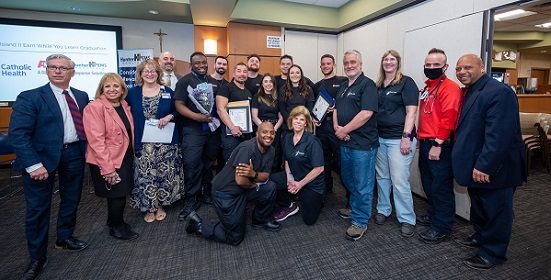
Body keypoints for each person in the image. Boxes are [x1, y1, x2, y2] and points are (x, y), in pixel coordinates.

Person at [9, 53, 89, 280]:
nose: (57, 71)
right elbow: (18, 134)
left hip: (74, 153)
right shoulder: (30, 97)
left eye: (63, 68)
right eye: (53, 67)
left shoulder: (81, 96)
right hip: (40, 159)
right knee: (38, 209)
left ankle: (64, 238)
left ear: (72, 72)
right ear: (46, 70)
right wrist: (33, 164)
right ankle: (37, 257)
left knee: (71, 200)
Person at [452, 54, 526, 270]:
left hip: (494, 167)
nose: (462, 72)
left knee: (497, 210)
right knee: (481, 206)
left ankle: (493, 253)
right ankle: (482, 236)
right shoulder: (471, 91)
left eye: (468, 67)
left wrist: (485, 165)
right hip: (475, 163)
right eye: (458, 69)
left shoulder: (499, 92)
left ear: (482, 68)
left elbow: (500, 135)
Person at [185, 122, 281, 245]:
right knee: (235, 238)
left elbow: (266, 176)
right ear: (257, 134)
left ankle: (260, 220)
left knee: (270, 187)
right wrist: (254, 184)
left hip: (243, 189)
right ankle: (198, 225)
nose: (268, 135)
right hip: (226, 193)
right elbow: (240, 181)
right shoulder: (246, 149)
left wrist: (253, 175)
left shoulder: (271, 150)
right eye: (264, 132)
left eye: (271, 133)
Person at [83, 73, 139, 241]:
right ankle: (117, 227)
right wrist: (107, 169)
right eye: (107, 86)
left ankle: (113, 220)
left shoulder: (124, 105)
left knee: (120, 193)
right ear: (102, 89)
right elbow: (96, 141)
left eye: (116, 86)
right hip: (107, 159)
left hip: (125, 156)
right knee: (117, 195)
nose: (112, 89)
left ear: (122, 89)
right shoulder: (95, 107)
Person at [126, 60, 182, 223]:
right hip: (143, 144)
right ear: (140, 74)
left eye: (153, 71)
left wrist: (169, 116)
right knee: (145, 175)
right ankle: (149, 206)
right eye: (146, 71)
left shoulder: (168, 92)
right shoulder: (132, 93)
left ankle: (159, 206)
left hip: (165, 144)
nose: (149, 74)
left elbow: (177, 111)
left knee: (163, 175)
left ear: (158, 74)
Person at [416, 48, 461, 244]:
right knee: (429, 184)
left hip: (439, 145)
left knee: (440, 187)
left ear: (446, 66)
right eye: (428, 65)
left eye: (436, 65)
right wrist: (419, 139)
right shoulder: (427, 87)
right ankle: (434, 214)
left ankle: (442, 227)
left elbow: (449, 118)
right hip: (426, 143)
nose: (432, 68)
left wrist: (438, 143)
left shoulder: (449, 88)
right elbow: (426, 117)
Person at [373, 50, 419, 237]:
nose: (388, 62)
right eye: (386, 59)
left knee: (399, 181)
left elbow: (411, 112)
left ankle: (407, 218)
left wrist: (406, 136)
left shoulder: (406, 83)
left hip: (399, 139)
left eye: (392, 59)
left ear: (398, 62)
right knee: (382, 177)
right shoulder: (377, 85)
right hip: (379, 139)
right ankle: (384, 209)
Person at [333, 50, 379, 241]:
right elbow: (336, 108)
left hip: (363, 145)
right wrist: (337, 127)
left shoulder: (367, 85)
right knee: (348, 179)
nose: (349, 65)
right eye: (346, 63)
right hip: (345, 143)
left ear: (360, 63)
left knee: (363, 185)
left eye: (353, 62)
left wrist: (345, 130)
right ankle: (353, 208)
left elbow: (366, 113)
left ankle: (360, 221)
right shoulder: (343, 85)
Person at [175, 51, 221, 218]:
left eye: (204, 63)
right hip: (193, 129)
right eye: (197, 63)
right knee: (192, 163)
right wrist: (197, 117)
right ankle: (192, 197)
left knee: (209, 163)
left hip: (212, 131)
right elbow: (179, 105)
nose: (201, 66)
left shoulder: (214, 82)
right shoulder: (185, 81)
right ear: (191, 65)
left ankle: (206, 192)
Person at [270, 106, 325, 225]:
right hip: (295, 176)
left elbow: (319, 168)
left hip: (311, 183)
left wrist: (300, 184)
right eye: (296, 118)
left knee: (309, 221)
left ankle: (319, 200)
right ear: (291, 120)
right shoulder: (287, 138)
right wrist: (290, 179)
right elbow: (287, 160)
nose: (298, 122)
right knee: (270, 181)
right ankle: (289, 205)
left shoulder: (312, 141)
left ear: (306, 123)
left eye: (302, 119)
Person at [312, 54, 348, 195]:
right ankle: (327, 188)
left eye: (329, 63)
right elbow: (314, 107)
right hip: (321, 127)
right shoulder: (316, 86)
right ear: (320, 66)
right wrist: (314, 118)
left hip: (338, 126)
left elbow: (347, 101)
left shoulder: (343, 81)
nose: (326, 66)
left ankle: (348, 193)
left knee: (340, 159)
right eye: (323, 64)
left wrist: (337, 106)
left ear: (334, 65)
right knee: (324, 157)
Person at [217, 62, 254, 162]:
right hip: (231, 135)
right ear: (233, 74)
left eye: (245, 71)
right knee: (230, 166)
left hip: (245, 135)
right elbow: (220, 109)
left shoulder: (248, 92)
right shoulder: (226, 88)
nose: (242, 74)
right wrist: (232, 127)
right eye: (239, 71)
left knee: (244, 165)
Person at [251, 73, 284, 172]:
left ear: (274, 84)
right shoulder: (257, 97)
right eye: (265, 81)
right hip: (261, 128)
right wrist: (264, 129)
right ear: (262, 84)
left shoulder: (278, 97)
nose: (268, 84)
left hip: (275, 129)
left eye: (270, 81)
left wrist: (274, 129)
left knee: (275, 153)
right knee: (260, 153)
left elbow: (281, 116)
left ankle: (273, 176)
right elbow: (254, 116)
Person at [278, 64, 315, 144]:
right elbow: (282, 109)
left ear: (301, 75)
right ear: (289, 75)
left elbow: (309, 109)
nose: (295, 75)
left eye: (297, 73)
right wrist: (292, 122)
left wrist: (300, 122)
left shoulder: (308, 90)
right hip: (287, 127)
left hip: (303, 127)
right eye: (292, 73)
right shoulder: (282, 90)